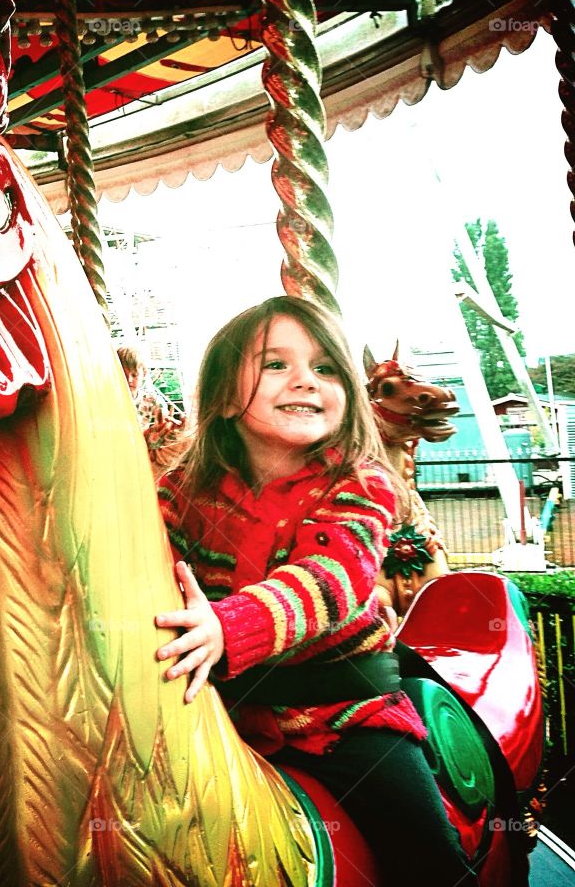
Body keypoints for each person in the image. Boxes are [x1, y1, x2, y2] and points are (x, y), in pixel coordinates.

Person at [153, 296, 477, 887]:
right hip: (214, 709)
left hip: (342, 717)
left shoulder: (361, 483)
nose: (305, 379)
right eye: (276, 364)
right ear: (225, 396)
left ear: (348, 394)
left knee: (427, 860)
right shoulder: (183, 488)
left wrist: (227, 625)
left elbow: (333, 579)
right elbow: (146, 558)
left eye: (326, 368)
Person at [116, 345, 185, 477]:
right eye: (124, 375)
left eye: (134, 375)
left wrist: (169, 426)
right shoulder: (111, 400)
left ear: (144, 374)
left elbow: (163, 427)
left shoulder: (152, 401)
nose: (129, 380)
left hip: (146, 450)